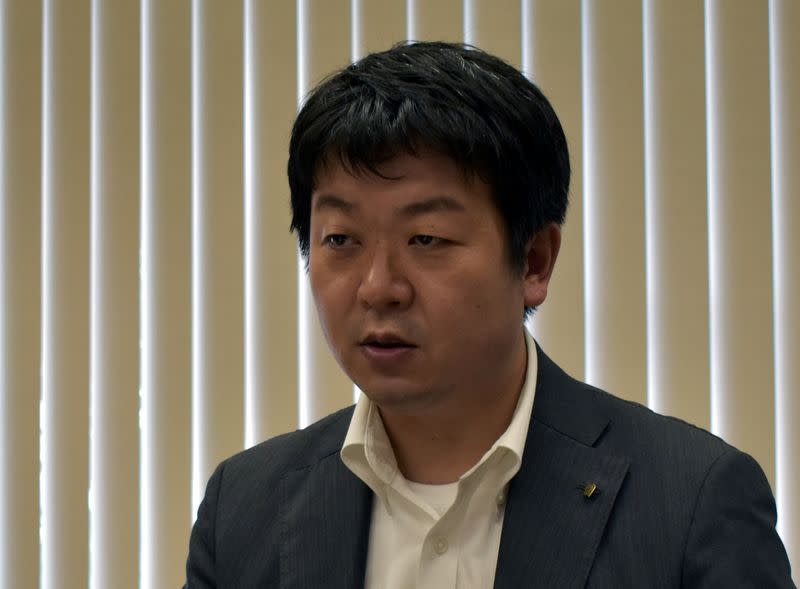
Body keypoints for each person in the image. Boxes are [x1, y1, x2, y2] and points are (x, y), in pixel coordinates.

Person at [184, 42, 794, 588]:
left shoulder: (690, 500)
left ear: (533, 261)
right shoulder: (245, 508)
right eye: (341, 239)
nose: (379, 287)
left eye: (426, 238)